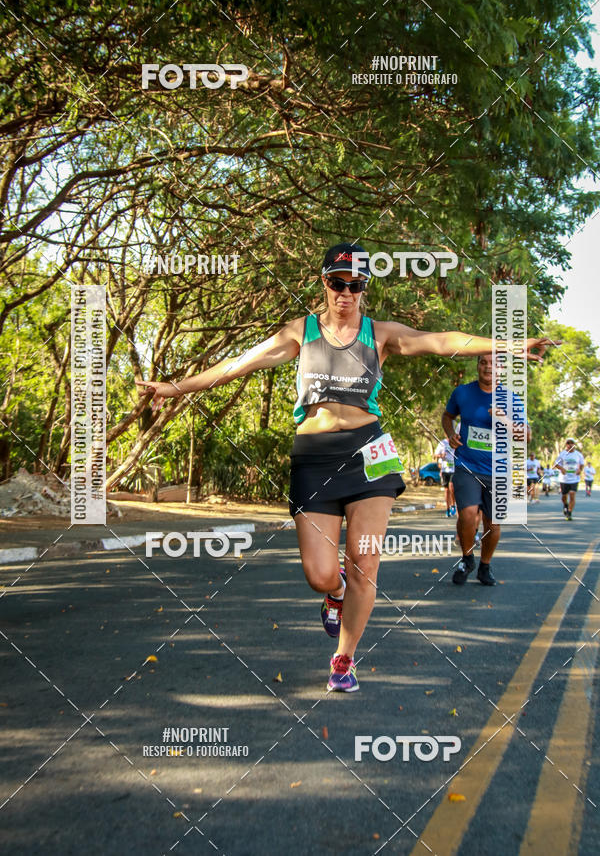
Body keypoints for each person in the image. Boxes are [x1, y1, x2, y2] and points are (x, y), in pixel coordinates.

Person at [137, 243, 551, 692]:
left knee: (364, 562)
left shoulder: (380, 334)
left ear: (363, 290)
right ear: (324, 283)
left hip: (371, 452)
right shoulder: (301, 332)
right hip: (314, 455)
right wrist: (177, 388)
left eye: (355, 286)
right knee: (319, 574)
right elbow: (239, 364)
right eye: (338, 284)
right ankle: (334, 594)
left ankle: (343, 659)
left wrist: (510, 344)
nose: (346, 293)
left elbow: (442, 341)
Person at [442, 354, 532, 587]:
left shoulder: (511, 399)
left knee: (492, 524)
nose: (488, 367)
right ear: (478, 366)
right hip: (467, 465)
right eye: (483, 362)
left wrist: (503, 419)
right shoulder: (462, 392)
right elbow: (447, 416)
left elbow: (526, 436)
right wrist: (450, 434)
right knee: (468, 514)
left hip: (499, 470)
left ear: (502, 368)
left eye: (495, 363)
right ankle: (467, 558)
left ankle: (485, 565)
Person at [555, 439, 585, 519]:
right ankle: (565, 504)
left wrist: (580, 469)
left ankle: (569, 513)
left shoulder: (578, 454)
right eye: (568, 443)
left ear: (574, 445)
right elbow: (556, 464)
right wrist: (562, 469)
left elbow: (582, 464)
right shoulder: (563, 454)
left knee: (572, 494)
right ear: (566, 445)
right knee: (564, 496)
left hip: (574, 479)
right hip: (564, 479)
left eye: (572, 443)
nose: (570, 445)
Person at [434, 437, 456, 517]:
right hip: (444, 470)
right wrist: (441, 455)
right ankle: (447, 509)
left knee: (452, 487)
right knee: (447, 490)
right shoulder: (442, 443)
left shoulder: (456, 441)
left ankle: (453, 505)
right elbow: (435, 454)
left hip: (454, 470)